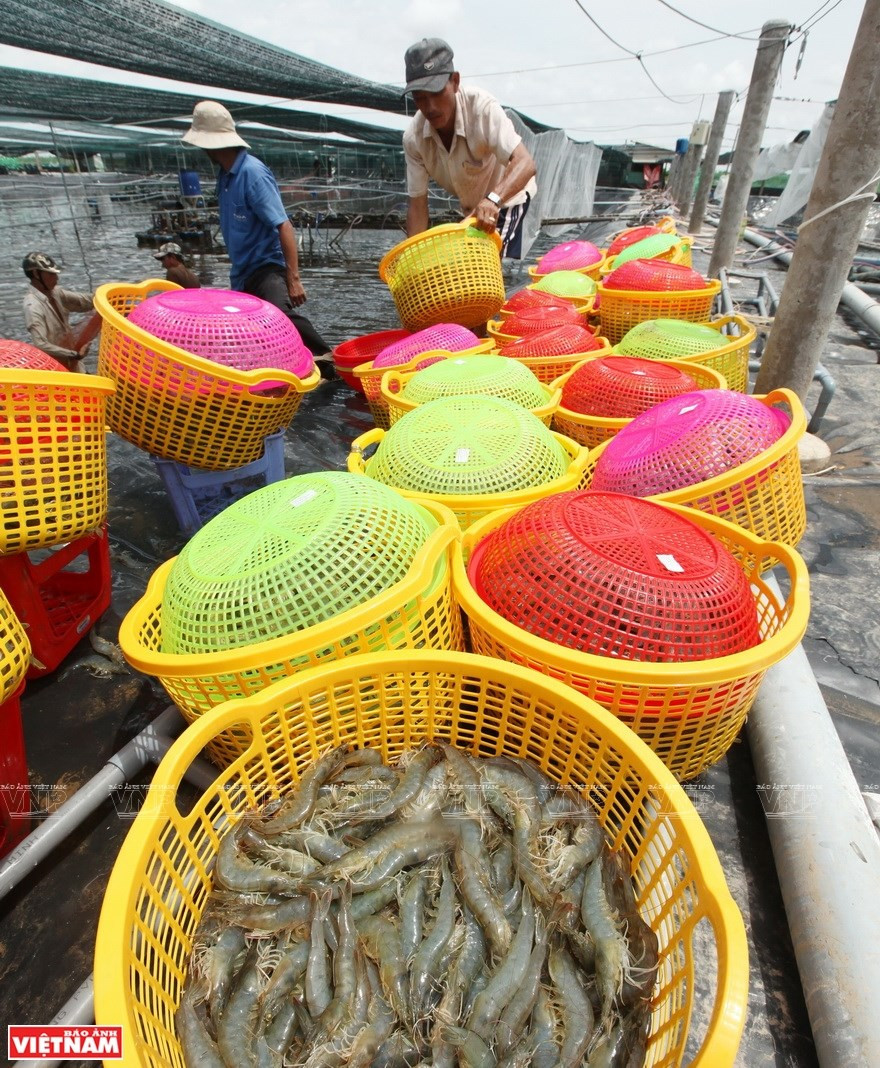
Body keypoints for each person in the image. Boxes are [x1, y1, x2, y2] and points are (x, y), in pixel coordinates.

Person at [181, 100, 335, 378]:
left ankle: (329, 361)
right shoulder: (226, 175)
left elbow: (284, 226)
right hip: (242, 273)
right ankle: (279, 373)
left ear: (212, 143)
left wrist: (294, 278)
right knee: (246, 334)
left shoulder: (252, 173)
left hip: (265, 267)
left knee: (279, 316)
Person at [402, 38, 537, 259]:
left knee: (482, 262)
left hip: (508, 195)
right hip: (473, 209)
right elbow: (417, 205)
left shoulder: (482, 108)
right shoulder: (414, 138)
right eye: (420, 98)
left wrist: (493, 200)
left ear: (455, 82)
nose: (431, 107)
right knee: (458, 269)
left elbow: (525, 163)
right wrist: (412, 258)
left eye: (437, 94)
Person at [21, 252, 96, 371]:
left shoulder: (56, 293)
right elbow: (40, 344)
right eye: (51, 275)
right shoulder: (32, 306)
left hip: (76, 364)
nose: (56, 278)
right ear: (36, 274)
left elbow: (85, 302)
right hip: (56, 368)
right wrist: (75, 354)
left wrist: (107, 297)